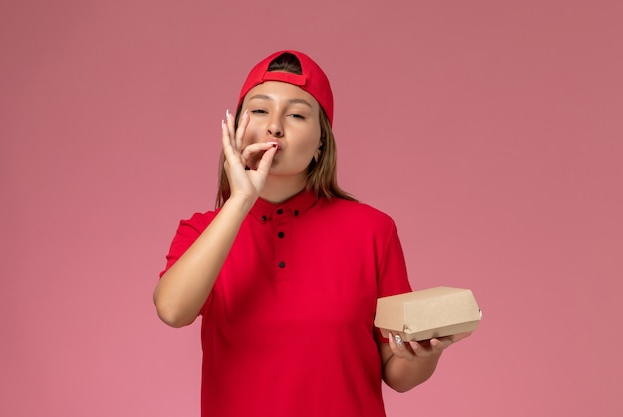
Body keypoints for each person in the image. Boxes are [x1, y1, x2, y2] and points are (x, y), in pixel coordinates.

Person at [154, 50, 470, 417]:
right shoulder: (202, 231)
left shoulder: (373, 230)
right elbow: (173, 310)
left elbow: (397, 373)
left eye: (296, 114)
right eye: (259, 110)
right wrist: (240, 200)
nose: (274, 126)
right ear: (236, 127)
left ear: (321, 143)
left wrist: (424, 354)